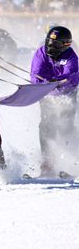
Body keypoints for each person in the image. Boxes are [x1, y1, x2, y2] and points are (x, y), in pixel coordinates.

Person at [31, 26, 79, 177]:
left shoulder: (71, 57)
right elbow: (35, 75)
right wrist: (46, 83)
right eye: (49, 42)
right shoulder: (41, 52)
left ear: (66, 45)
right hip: (46, 94)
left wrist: (57, 81)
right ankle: (47, 163)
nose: (51, 47)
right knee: (45, 126)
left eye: (55, 44)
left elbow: (72, 78)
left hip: (67, 95)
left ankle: (75, 162)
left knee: (66, 128)